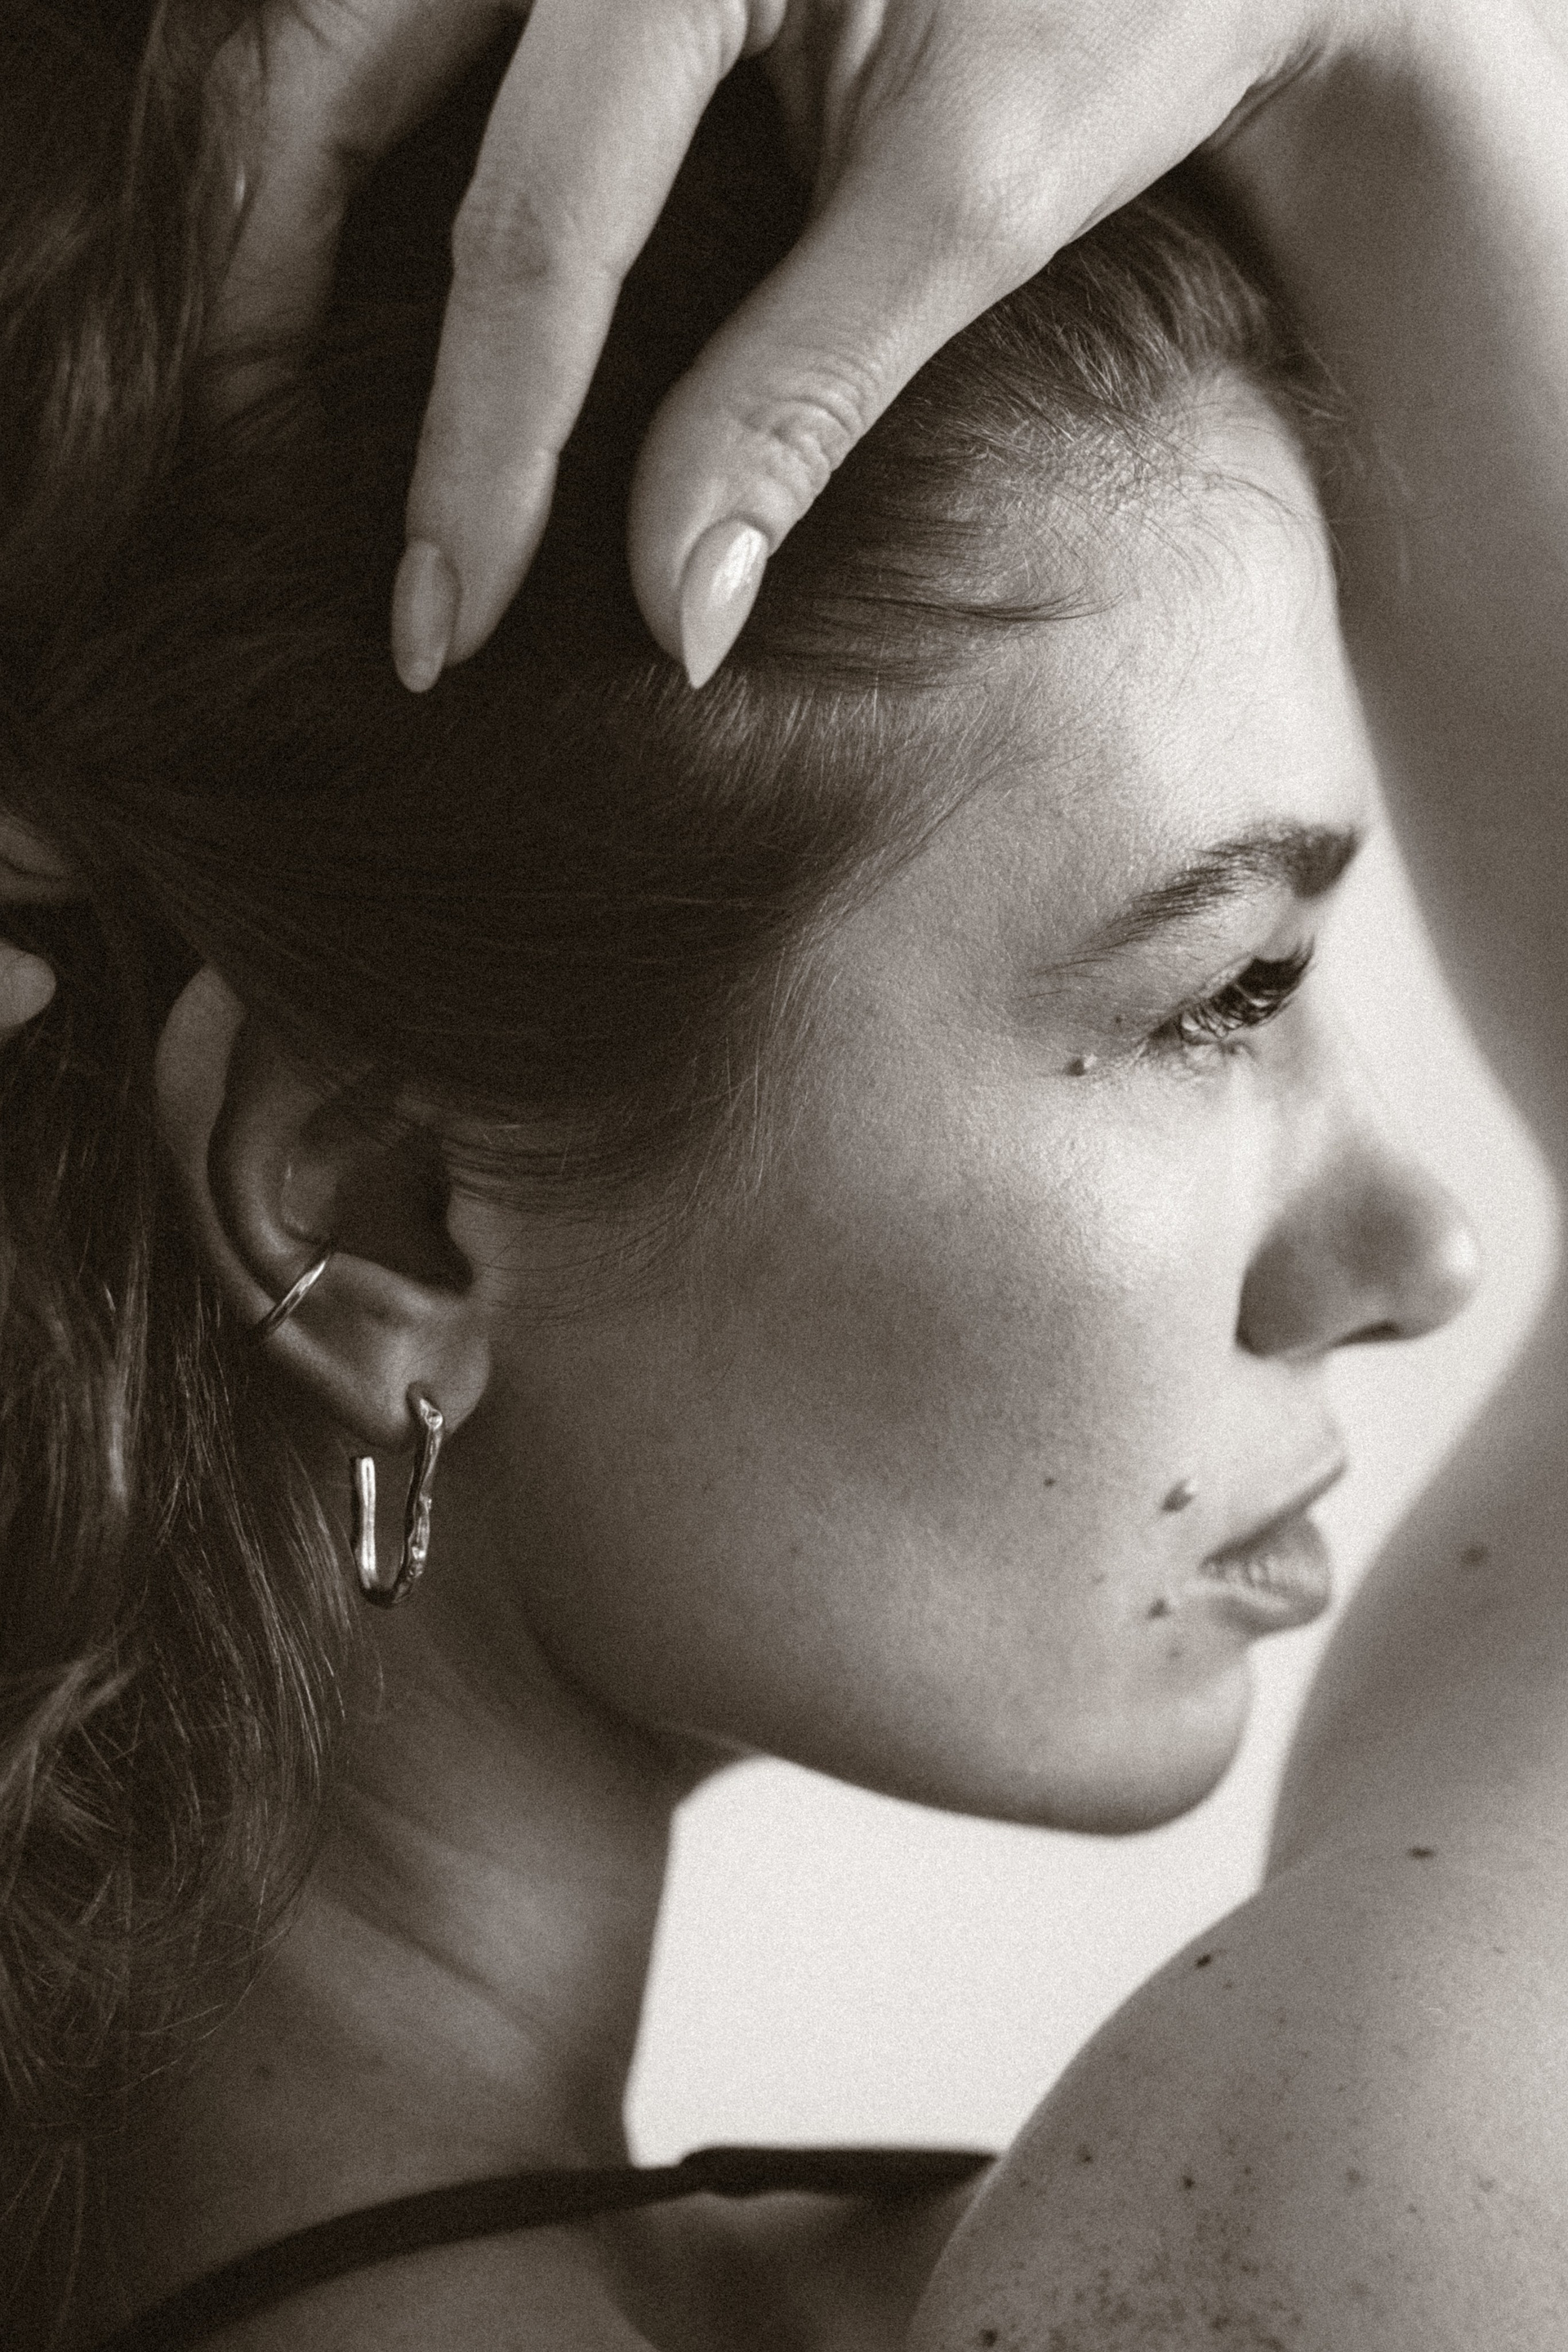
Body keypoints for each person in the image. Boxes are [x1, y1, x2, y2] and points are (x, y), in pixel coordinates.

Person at [2, 7, 1566, 2352]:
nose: (1411, 1253)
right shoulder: (1267, 2272)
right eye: (1219, 995)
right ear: (380, 1211)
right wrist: (1378, 66)